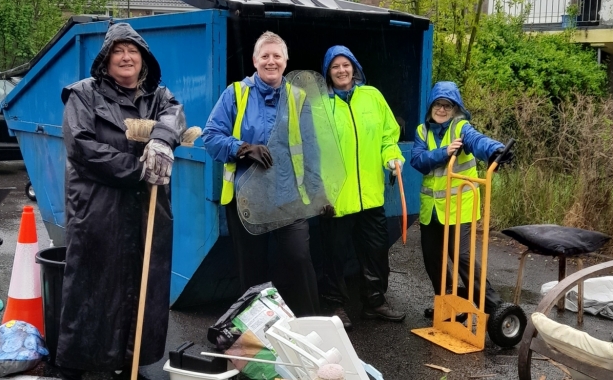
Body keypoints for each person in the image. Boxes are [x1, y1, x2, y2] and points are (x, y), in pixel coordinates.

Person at [57, 22, 186, 380]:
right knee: (95, 283)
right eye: (118, 51)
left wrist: (161, 140)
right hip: (99, 206)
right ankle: (86, 363)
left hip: (146, 207)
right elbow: (81, 146)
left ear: (144, 59)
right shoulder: (83, 94)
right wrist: (137, 169)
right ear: (106, 59)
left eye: (133, 51)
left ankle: (131, 360)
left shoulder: (159, 96)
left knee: (141, 282)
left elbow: (175, 115)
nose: (126, 57)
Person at [202, 31, 321, 317]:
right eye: (265, 56)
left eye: (276, 56)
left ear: (286, 60)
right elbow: (210, 136)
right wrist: (242, 148)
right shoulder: (236, 93)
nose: (271, 61)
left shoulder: (298, 97)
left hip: (288, 198)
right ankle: (258, 336)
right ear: (255, 61)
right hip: (247, 200)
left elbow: (311, 147)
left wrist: (319, 192)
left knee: (298, 259)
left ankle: (309, 327)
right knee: (252, 271)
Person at [318, 45, 407, 330]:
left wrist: (392, 156)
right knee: (334, 256)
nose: (342, 71)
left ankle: (374, 302)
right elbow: (310, 149)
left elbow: (388, 136)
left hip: (370, 195)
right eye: (335, 67)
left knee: (377, 250)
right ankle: (335, 306)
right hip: (336, 199)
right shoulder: (320, 105)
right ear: (328, 73)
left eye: (346, 65)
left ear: (354, 67)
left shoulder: (373, 97)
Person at [409, 81, 512, 319]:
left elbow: (478, 141)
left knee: (462, 257)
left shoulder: (461, 128)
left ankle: (495, 309)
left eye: (448, 105)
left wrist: (495, 150)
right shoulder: (422, 131)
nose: (442, 109)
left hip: (459, 208)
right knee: (432, 257)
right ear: (431, 107)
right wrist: (444, 153)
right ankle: (448, 304)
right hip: (431, 210)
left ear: (456, 109)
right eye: (438, 104)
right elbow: (418, 161)